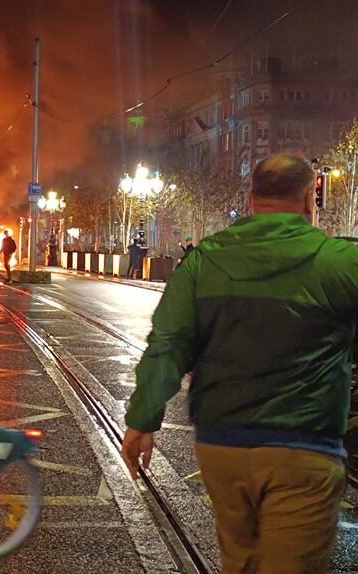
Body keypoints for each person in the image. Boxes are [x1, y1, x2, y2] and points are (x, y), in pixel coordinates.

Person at [121, 154, 357, 574]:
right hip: (303, 449)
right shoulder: (337, 262)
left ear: (251, 198)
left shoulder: (203, 261)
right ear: (309, 199)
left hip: (222, 447)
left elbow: (169, 344)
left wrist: (143, 419)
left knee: (240, 562)